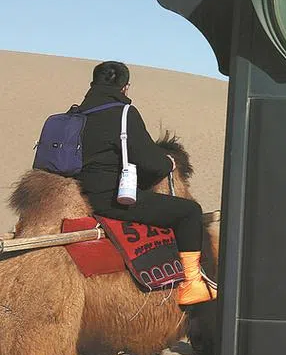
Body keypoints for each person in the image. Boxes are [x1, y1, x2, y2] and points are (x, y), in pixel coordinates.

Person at [74, 61, 214, 306]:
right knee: (190, 212)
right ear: (125, 87)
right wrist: (168, 163)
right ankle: (192, 284)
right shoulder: (123, 113)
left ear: (92, 84)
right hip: (107, 200)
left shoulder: (75, 114)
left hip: (75, 194)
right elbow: (150, 162)